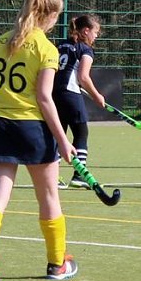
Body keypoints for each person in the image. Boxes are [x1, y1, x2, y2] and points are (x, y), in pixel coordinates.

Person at [0, 0, 79, 281]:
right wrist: (63, 140)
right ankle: (58, 263)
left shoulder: (2, 41)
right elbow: (44, 99)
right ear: (51, 15)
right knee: (48, 197)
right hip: (32, 129)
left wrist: (9, 95)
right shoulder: (46, 48)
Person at [53, 14, 106, 189]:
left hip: (53, 94)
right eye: (95, 32)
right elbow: (83, 76)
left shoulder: (60, 45)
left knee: (57, 134)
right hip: (71, 95)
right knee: (81, 133)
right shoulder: (85, 49)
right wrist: (97, 95)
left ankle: (53, 176)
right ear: (86, 31)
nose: (96, 36)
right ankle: (79, 175)